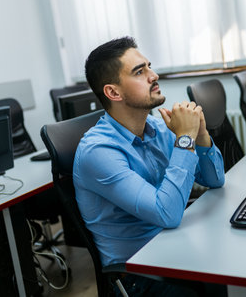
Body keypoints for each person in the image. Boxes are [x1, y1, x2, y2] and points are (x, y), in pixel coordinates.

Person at [73, 36, 226, 296]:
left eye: (149, 67)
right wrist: (185, 138)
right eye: (139, 72)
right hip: (139, 276)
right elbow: (166, 213)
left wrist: (200, 136)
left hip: (174, 249)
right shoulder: (98, 152)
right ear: (113, 92)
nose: (153, 75)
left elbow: (215, 179)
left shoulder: (156, 126)